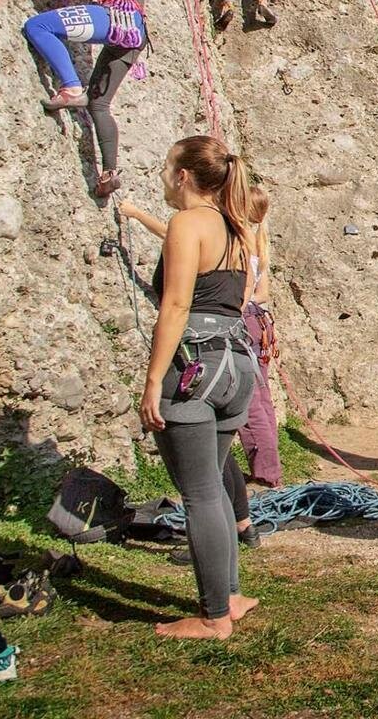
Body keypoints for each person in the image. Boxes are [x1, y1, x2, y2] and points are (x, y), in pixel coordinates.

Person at [138, 135, 264, 639]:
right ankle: (231, 594)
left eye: (168, 169)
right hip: (236, 365)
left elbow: (175, 306)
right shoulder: (236, 229)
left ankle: (214, 617)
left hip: (195, 367)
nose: (165, 178)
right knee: (211, 486)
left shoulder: (187, 224)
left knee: (199, 495)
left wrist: (152, 381)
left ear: (184, 175)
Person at [116, 194, 268, 554]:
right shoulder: (247, 238)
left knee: (202, 486)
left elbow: (177, 301)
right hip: (235, 348)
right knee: (218, 460)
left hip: (203, 348)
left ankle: (217, 577)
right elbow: (258, 291)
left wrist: (154, 380)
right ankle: (241, 526)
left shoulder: (207, 228)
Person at [17, 0, 149, 198]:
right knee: (99, 104)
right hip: (136, 28)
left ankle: (70, 87)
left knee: (38, 26)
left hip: (115, 14)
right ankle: (109, 174)